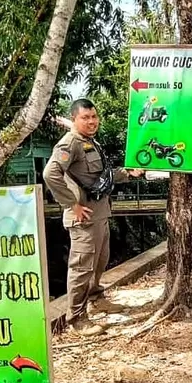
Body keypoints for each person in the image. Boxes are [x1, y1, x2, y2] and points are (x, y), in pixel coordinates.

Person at [43, 98, 143, 336]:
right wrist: (72, 204)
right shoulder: (70, 143)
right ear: (75, 119)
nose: (91, 122)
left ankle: (96, 299)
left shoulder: (90, 143)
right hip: (83, 219)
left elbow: (102, 176)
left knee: (99, 261)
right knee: (81, 268)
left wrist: (129, 173)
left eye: (94, 117)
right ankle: (76, 319)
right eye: (85, 118)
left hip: (99, 214)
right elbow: (50, 174)